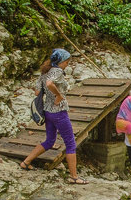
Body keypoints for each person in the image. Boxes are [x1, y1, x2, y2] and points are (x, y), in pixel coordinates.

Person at [19, 48, 85, 184]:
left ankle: (26, 162)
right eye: (67, 62)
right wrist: (58, 95)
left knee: (50, 141)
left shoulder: (45, 72)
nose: (67, 64)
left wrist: (49, 93)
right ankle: (74, 177)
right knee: (70, 143)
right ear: (61, 62)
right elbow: (50, 84)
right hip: (59, 112)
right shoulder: (57, 71)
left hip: (47, 111)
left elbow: (37, 92)